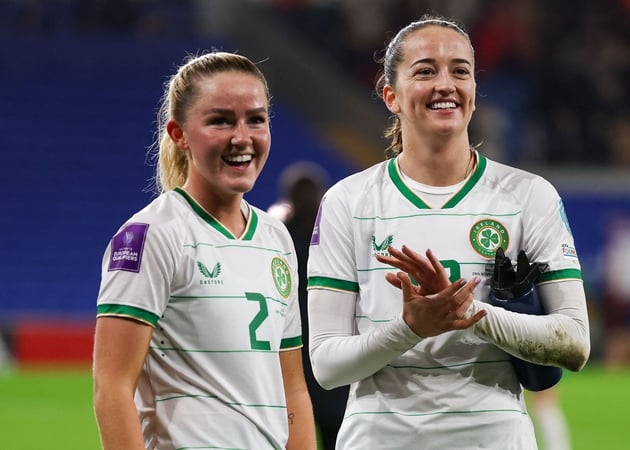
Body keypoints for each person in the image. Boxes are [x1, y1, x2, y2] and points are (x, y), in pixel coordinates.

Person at [306, 15, 590, 449]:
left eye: (460, 71)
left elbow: (575, 342)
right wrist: (410, 327)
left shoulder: (529, 197)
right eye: (425, 71)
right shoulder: (349, 202)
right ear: (390, 96)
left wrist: (472, 314)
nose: (446, 84)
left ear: (474, 91)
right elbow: (326, 366)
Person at [93, 51, 316, 450]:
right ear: (179, 134)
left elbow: (293, 388)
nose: (242, 137)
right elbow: (112, 388)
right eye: (221, 121)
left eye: (256, 119)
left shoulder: (276, 238)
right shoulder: (151, 236)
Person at [268, 162, 349, 450]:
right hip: (301, 351)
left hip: (318, 348)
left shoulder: (330, 236)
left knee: (329, 430)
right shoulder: (280, 237)